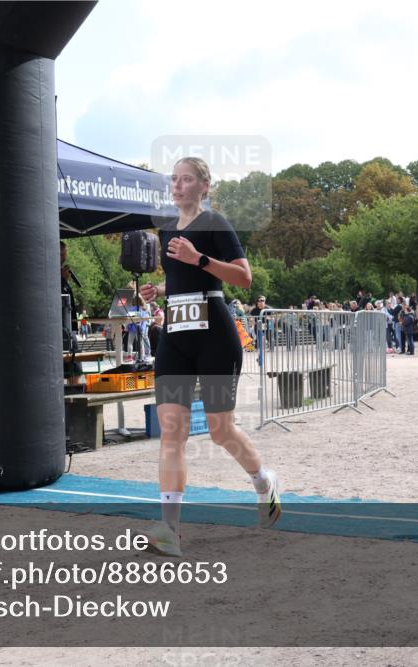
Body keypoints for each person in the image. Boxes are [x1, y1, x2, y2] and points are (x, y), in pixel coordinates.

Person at [138, 157, 281, 557]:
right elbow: (180, 279)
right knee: (172, 432)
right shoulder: (167, 231)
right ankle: (170, 529)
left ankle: (263, 481)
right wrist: (158, 292)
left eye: (186, 179)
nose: (178, 185)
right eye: (174, 179)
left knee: (220, 430)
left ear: (204, 186)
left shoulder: (215, 223)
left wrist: (198, 257)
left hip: (215, 334)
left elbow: (243, 277)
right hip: (176, 336)